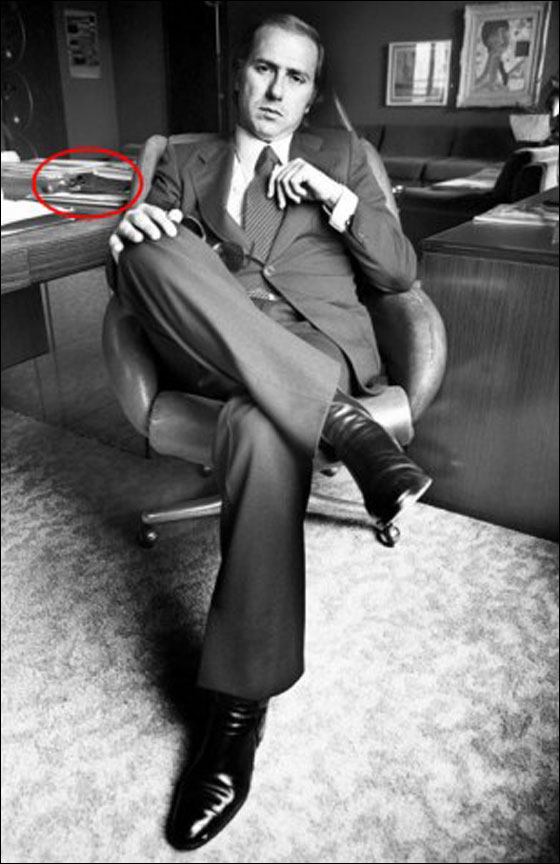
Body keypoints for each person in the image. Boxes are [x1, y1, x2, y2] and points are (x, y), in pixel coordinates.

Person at [108, 14, 432, 850]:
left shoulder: (343, 157)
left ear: (312, 93)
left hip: (314, 345)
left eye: (295, 77)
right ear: (240, 74)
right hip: (214, 346)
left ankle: (234, 715)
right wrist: (131, 235)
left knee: (259, 427)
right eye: (263, 69)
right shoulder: (184, 163)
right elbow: (150, 280)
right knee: (141, 248)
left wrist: (335, 197)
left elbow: (400, 273)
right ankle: (340, 423)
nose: (276, 90)